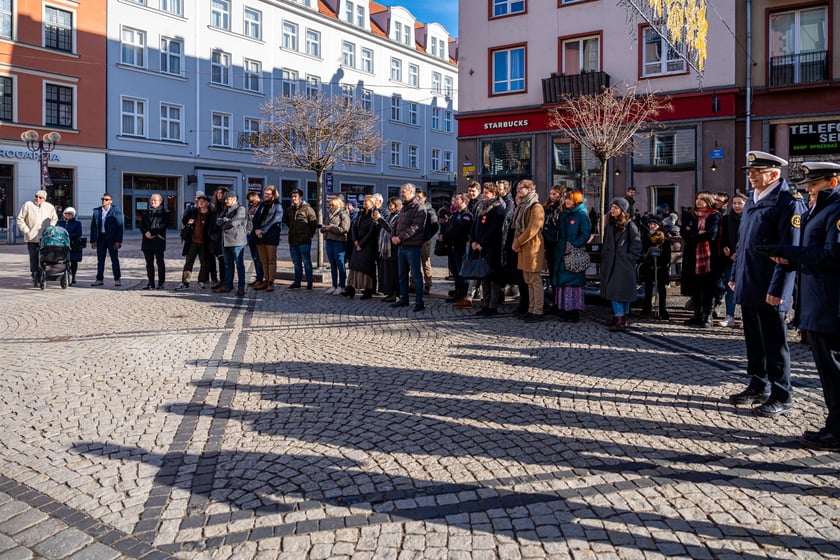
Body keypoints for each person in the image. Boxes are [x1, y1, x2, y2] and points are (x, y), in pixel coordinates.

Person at [760, 162, 840, 449]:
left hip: (831, 306)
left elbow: (833, 256)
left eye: (815, 185)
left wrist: (790, 251)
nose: (809, 190)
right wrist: (788, 258)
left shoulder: (837, 209)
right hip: (819, 305)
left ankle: (837, 431)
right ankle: (835, 426)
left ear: (833, 181)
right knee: (828, 373)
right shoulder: (821, 209)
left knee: (834, 370)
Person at [728, 151, 806, 417]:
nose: (750, 175)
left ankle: (782, 394)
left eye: (756, 171)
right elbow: (744, 242)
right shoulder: (753, 199)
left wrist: (779, 290)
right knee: (754, 339)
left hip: (770, 285)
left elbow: (790, 250)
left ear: (774, 174)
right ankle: (758, 384)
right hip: (750, 279)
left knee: (775, 342)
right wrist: (735, 274)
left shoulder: (787, 201)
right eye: (750, 171)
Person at [680, 191, 722, 327]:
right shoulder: (690, 214)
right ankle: (697, 315)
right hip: (692, 256)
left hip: (708, 257)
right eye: (697, 198)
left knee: (708, 287)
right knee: (695, 286)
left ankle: (707, 316)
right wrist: (697, 233)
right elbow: (683, 232)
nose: (699, 201)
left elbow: (711, 234)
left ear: (708, 201)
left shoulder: (714, 215)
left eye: (702, 199)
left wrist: (693, 234)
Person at [600, 198, 641, 331]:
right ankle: (620, 317)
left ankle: (620, 318)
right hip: (611, 263)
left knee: (618, 291)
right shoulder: (610, 224)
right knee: (616, 291)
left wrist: (629, 257)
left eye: (616, 208)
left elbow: (637, 244)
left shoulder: (630, 225)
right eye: (612, 207)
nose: (612, 210)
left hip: (623, 264)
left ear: (622, 210)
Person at [553, 189, 591, 323]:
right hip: (561, 252)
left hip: (573, 253)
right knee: (562, 282)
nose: (567, 201)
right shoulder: (564, 214)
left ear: (576, 200)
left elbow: (585, 234)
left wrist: (573, 244)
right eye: (566, 199)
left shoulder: (581, 215)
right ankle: (563, 309)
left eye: (569, 199)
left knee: (572, 282)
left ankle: (573, 312)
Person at [511, 179, 545, 323]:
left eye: (521, 188)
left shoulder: (536, 207)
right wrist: (516, 242)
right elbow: (518, 227)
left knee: (534, 280)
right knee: (528, 280)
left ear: (529, 189)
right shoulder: (522, 205)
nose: (518, 191)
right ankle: (531, 309)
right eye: (518, 188)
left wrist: (518, 242)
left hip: (532, 247)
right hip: (523, 248)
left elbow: (532, 229)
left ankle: (538, 310)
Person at [471, 182, 506, 317]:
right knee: (484, 277)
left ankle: (492, 306)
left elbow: (495, 230)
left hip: (492, 248)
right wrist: (474, 240)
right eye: (483, 192)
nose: (484, 195)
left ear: (494, 194)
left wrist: (483, 243)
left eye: (486, 192)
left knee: (493, 278)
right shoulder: (481, 207)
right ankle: (485, 304)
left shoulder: (498, 209)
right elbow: (475, 226)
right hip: (480, 248)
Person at [391, 183, 427, 312]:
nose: (402, 193)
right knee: (402, 275)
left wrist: (399, 237)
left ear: (411, 192)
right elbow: (397, 223)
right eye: (402, 191)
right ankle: (404, 298)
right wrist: (393, 235)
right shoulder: (404, 207)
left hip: (412, 246)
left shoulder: (418, 207)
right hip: (401, 246)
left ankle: (419, 302)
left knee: (416, 275)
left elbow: (416, 227)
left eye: (404, 191)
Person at [17, 189, 58, 285]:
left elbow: (54, 218)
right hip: (32, 237)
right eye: (36, 196)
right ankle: (34, 274)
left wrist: (51, 227)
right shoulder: (28, 205)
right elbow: (20, 219)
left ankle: (44, 273)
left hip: (45, 237)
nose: (37, 199)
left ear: (44, 199)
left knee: (45, 257)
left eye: (40, 197)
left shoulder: (49, 207)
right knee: (33, 256)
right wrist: (26, 230)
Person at [176, 192, 214, 290]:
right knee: (189, 262)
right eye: (199, 201)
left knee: (204, 263)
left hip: (205, 242)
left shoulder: (212, 214)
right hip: (192, 241)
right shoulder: (193, 211)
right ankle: (185, 282)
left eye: (203, 201)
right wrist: (188, 222)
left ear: (207, 203)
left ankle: (202, 280)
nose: (200, 203)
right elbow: (184, 220)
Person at [719, 190, 747, 327]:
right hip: (729, 258)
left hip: (745, 258)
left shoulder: (750, 218)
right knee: (730, 287)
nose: (736, 206)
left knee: (745, 289)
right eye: (734, 203)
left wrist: (740, 253)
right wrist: (726, 250)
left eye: (739, 203)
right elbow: (722, 237)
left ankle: (744, 317)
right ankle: (729, 315)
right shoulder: (726, 219)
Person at [214, 191, 249, 296]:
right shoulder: (226, 209)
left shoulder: (241, 209)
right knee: (228, 265)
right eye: (225, 199)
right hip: (226, 241)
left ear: (234, 199)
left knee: (239, 265)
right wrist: (225, 220)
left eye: (227, 199)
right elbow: (217, 221)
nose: (225, 201)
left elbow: (234, 222)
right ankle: (227, 285)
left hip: (237, 241)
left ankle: (241, 287)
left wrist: (225, 222)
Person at [441, 193, 473, 308]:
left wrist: (445, 237)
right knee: (455, 272)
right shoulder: (455, 214)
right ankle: (457, 293)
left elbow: (459, 232)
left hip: (461, 247)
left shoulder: (466, 215)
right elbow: (448, 227)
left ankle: (462, 296)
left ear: (464, 201)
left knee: (462, 273)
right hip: (452, 247)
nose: (454, 201)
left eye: (457, 199)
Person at [345, 194, 379, 299]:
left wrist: (361, 244)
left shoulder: (374, 214)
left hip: (368, 245)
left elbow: (371, 231)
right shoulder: (360, 213)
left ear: (372, 203)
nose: (364, 203)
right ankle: (350, 288)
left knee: (365, 268)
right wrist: (355, 241)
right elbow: (354, 226)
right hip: (357, 243)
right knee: (354, 265)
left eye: (366, 201)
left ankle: (368, 290)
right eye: (364, 201)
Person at [639, 216, 671, 320]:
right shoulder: (647, 237)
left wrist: (659, 255)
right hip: (650, 267)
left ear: (659, 226)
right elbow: (643, 252)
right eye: (650, 224)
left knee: (661, 289)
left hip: (660, 268)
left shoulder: (664, 239)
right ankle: (647, 308)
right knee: (648, 288)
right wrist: (647, 254)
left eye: (654, 224)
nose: (652, 226)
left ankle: (662, 309)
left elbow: (667, 257)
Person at [253, 185, 284, 292]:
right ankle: (265, 280)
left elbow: (275, 220)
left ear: (274, 195)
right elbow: (256, 218)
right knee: (263, 260)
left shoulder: (278, 206)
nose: (265, 195)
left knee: (271, 260)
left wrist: (263, 230)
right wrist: (257, 229)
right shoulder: (262, 205)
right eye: (265, 193)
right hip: (259, 236)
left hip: (271, 236)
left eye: (268, 194)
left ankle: (271, 281)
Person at [90, 193, 125, 287]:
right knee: (100, 260)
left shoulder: (116, 211)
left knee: (114, 259)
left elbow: (120, 226)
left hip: (112, 238)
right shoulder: (97, 211)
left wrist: (119, 241)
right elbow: (93, 227)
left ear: (110, 201)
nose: (104, 201)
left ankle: (117, 279)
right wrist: (93, 240)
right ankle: (99, 279)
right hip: (101, 238)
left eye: (106, 199)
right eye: (103, 199)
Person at [374, 197, 402, 303]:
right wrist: (378, 222)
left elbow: (391, 229)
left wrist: (380, 219)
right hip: (385, 248)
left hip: (392, 249)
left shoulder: (398, 216)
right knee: (386, 273)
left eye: (391, 205)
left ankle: (394, 293)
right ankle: (389, 292)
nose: (390, 208)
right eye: (389, 206)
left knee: (392, 273)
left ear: (396, 205)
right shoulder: (390, 215)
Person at [321, 197, 351, 294]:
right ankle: (334, 285)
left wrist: (331, 228)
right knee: (332, 264)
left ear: (338, 205)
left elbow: (344, 229)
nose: (330, 207)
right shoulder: (328, 213)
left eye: (332, 205)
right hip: (329, 240)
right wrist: (323, 228)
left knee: (340, 264)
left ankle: (342, 285)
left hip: (339, 242)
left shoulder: (343, 214)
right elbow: (324, 225)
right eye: (329, 205)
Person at [139, 193, 169, 290]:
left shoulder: (165, 212)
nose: (153, 202)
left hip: (158, 240)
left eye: (155, 200)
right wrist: (145, 232)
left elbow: (163, 226)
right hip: (147, 241)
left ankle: (161, 282)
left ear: (160, 201)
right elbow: (141, 225)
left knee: (160, 262)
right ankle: (151, 282)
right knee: (149, 263)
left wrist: (152, 233)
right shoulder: (145, 212)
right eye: (152, 200)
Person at [542, 186, 564, 299]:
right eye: (551, 194)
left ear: (560, 195)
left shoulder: (561, 208)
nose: (552, 196)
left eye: (554, 194)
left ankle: (558, 299)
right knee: (552, 271)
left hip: (557, 243)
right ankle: (555, 298)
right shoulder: (547, 207)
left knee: (557, 272)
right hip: (548, 242)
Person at [415, 190, 438, 295]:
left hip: (425, 240)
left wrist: (428, 236)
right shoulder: (414, 209)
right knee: (413, 264)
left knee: (425, 264)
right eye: (416, 197)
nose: (417, 199)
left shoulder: (430, 211)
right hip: (415, 241)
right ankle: (412, 285)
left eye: (419, 197)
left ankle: (428, 285)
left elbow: (435, 226)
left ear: (424, 198)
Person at [208, 187, 229, 288]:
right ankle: (222, 281)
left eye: (221, 193)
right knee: (220, 260)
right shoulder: (216, 208)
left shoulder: (226, 207)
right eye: (218, 193)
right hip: (215, 237)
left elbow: (224, 222)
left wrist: (217, 235)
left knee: (224, 261)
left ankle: (226, 282)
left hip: (222, 237)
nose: (219, 195)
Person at [56, 207, 83, 285]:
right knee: (62, 260)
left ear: (73, 215)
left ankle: (73, 275)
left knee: (73, 261)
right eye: (66, 213)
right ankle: (63, 275)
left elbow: (78, 233)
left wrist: (67, 235)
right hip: (62, 244)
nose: (67, 215)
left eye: (69, 214)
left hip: (73, 244)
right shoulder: (60, 223)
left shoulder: (77, 223)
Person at [245, 191, 264, 286]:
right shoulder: (251, 207)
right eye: (249, 202)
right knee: (255, 258)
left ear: (257, 197)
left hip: (258, 235)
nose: (251, 203)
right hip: (250, 235)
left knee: (259, 258)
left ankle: (261, 278)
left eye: (252, 201)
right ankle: (258, 277)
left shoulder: (262, 207)